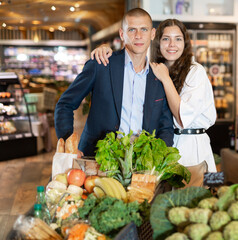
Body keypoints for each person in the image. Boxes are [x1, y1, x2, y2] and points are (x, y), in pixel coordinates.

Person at [91, 19, 217, 172]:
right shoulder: (155, 69)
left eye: (178, 39)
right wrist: (104, 48)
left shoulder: (196, 71)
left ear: (185, 43)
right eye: (166, 39)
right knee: (164, 194)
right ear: (157, 42)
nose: (172, 44)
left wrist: (165, 78)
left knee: (199, 193)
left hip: (193, 147)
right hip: (164, 146)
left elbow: (181, 117)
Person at [55, 8, 174, 157]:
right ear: (122, 34)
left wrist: (159, 156)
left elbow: (166, 126)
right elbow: (65, 105)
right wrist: (68, 145)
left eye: (144, 29)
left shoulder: (159, 76)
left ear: (152, 34)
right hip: (96, 158)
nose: (138, 36)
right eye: (132, 30)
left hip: (140, 163)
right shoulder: (101, 64)